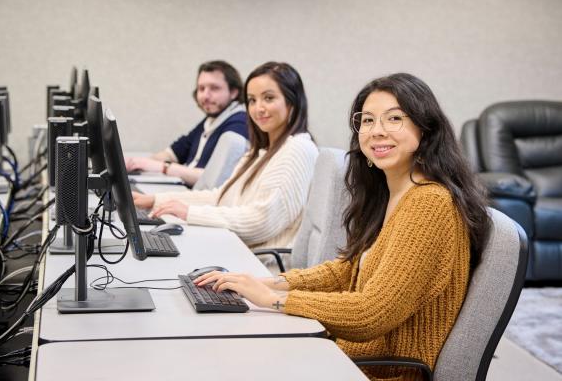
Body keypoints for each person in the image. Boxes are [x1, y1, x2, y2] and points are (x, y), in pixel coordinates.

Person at [195, 73, 490, 380]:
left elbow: (372, 312)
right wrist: (270, 283)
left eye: (394, 119)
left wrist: (273, 300)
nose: (377, 131)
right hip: (351, 357)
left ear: (425, 129)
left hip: (381, 373)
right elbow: (347, 270)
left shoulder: (429, 204)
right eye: (367, 120)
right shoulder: (392, 192)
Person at [133, 62, 319, 250]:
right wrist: (155, 200)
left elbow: (262, 222)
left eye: (268, 98)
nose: (258, 108)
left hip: (260, 264)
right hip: (238, 249)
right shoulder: (260, 153)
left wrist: (189, 213)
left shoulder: (298, 149)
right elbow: (221, 197)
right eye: (252, 100)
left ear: (292, 101)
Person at [125, 60, 249, 187]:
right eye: (201, 88)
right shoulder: (210, 121)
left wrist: (164, 167)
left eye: (214, 88)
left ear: (234, 92)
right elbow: (172, 153)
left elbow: (214, 180)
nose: (205, 95)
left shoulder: (239, 125)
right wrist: (137, 163)